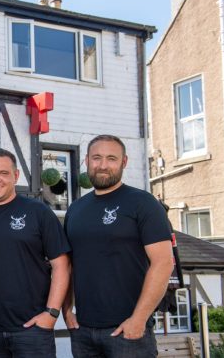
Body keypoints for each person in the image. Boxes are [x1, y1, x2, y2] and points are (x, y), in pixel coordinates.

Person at [63, 134, 174, 357]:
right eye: (96, 158)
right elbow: (69, 265)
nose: (103, 165)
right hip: (83, 331)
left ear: (124, 162)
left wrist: (139, 319)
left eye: (111, 158)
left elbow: (163, 263)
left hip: (128, 331)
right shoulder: (75, 209)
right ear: (86, 161)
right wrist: (67, 309)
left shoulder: (143, 203)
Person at [0, 148, 71, 358]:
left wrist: (51, 313)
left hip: (33, 329)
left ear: (16, 176)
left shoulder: (38, 212)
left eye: (3, 173)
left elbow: (62, 265)